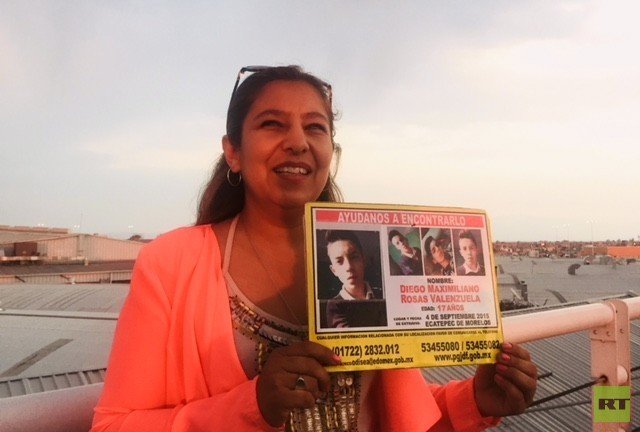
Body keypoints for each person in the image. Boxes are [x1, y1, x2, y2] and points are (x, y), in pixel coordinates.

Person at [92, 65, 537, 432]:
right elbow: (114, 425)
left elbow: (396, 415)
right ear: (233, 152)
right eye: (272, 124)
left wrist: (477, 400)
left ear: (330, 152)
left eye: (314, 127)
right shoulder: (170, 264)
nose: (297, 142)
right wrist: (253, 405)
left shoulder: (370, 259)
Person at [324, 230, 387, 328]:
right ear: (334, 270)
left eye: (354, 257)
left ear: (363, 260)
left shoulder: (383, 294)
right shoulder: (334, 305)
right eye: (339, 261)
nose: (349, 267)